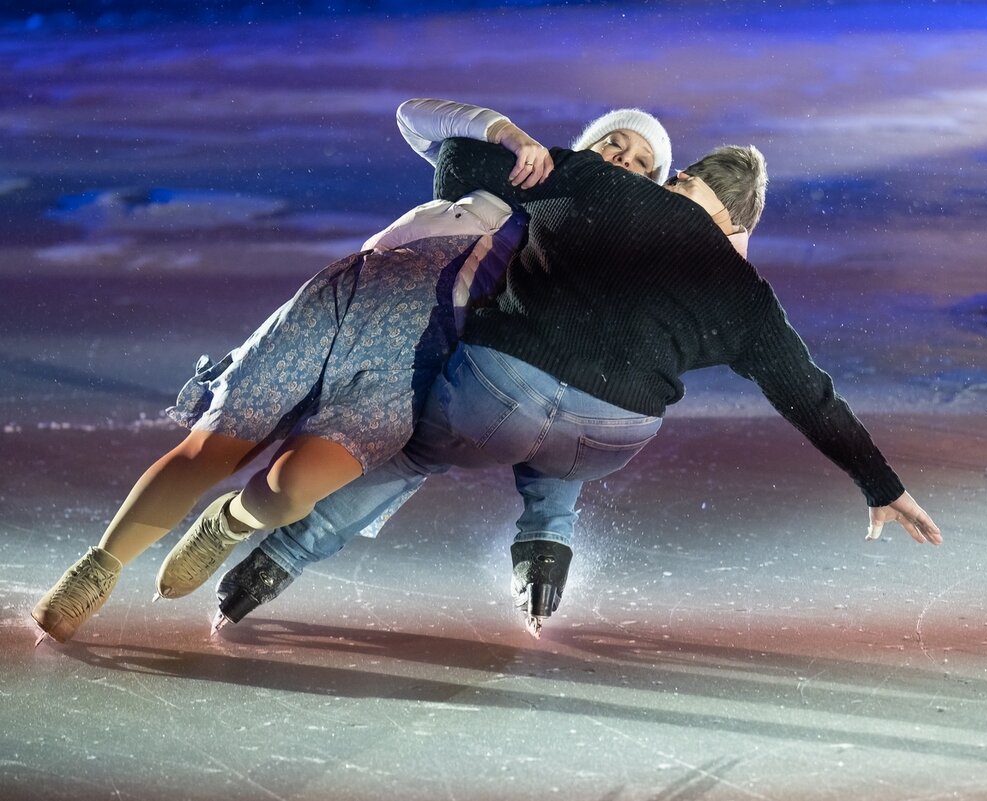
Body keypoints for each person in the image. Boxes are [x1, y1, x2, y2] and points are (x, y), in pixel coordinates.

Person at [203, 134, 941, 639]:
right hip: (610, 436)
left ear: (679, 180)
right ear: (739, 224)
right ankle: (544, 561)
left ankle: (275, 563)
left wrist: (477, 211)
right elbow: (806, 393)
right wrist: (879, 485)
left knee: (413, 452)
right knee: (568, 431)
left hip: (492, 398)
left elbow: (460, 156)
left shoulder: (596, 182)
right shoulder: (742, 288)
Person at [30, 99, 674, 645]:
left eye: (643, 165)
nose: (624, 158)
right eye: (615, 143)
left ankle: (229, 524)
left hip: (414, 362)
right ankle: (98, 567)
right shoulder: (500, 170)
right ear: (585, 145)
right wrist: (504, 130)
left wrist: (546, 528)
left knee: (290, 489)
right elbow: (415, 118)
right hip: (344, 300)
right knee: (212, 447)